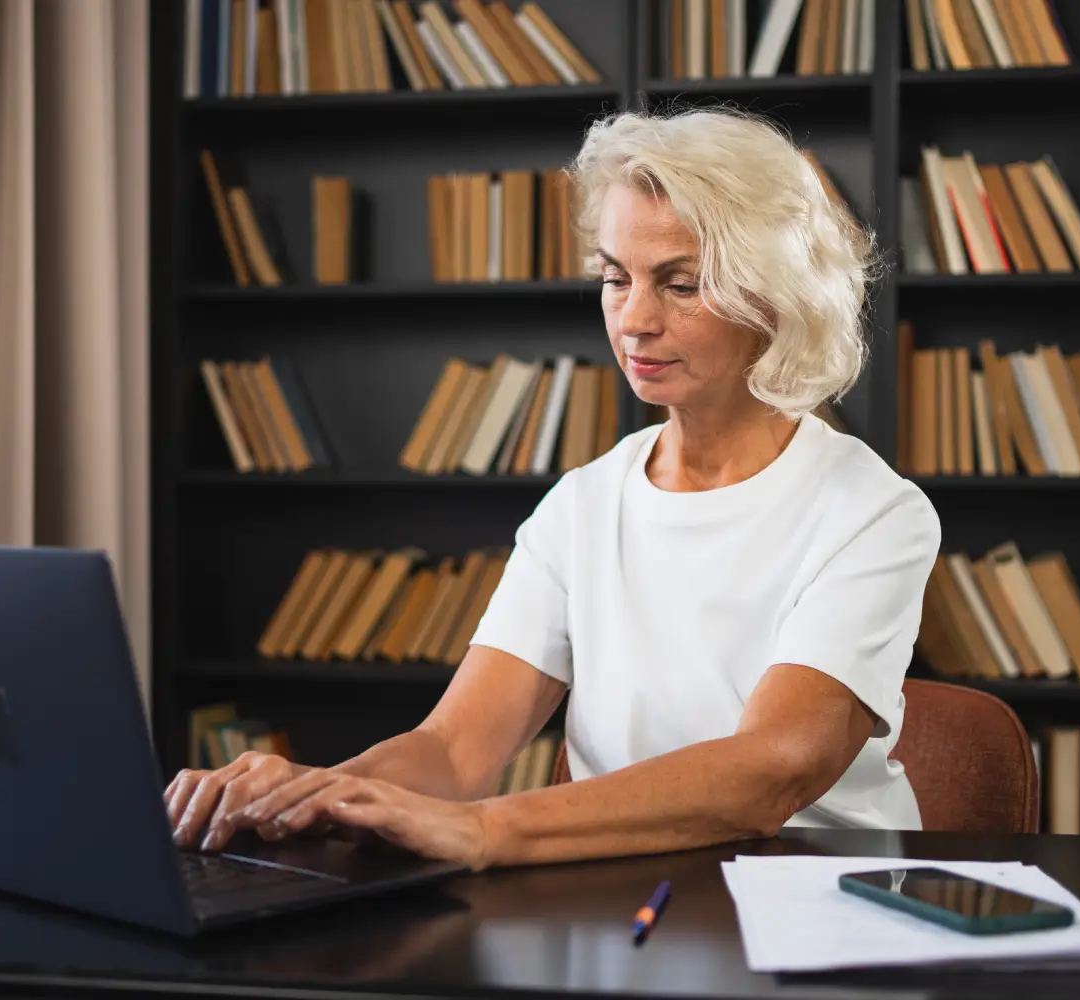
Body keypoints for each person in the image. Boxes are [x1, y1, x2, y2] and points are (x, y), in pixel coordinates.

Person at [166, 107, 940, 870]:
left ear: (776, 297)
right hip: (617, 887)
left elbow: (771, 771)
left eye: (679, 284)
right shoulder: (582, 504)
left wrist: (485, 831)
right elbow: (453, 749)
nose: (634, 319)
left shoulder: (872, 513)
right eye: (615, 277)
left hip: (816, 897)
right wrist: (314, 795)